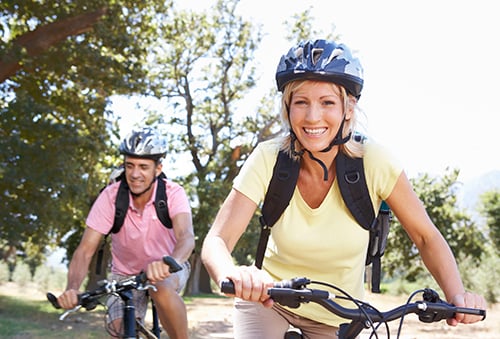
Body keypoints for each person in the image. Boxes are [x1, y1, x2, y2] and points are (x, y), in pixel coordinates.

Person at [201, 39, 487, 338]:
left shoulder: (375, 162)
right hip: (271, 300)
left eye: (327, 102)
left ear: (348, 109)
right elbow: (218, 239)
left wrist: (457, 296)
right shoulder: (268, 158)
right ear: (288, 107)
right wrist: (231, 273)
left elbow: (425, 237)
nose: (313, 117)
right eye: (301, 102)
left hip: (340, 314)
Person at [57, 127, 195, 339]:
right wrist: (72, 288)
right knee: (120, 332)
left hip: (170, 267)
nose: (135, 174)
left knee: (161, 287)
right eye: (129, 165)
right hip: (124, 274)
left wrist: (169, 263)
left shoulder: (172, 193)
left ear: (158, 169)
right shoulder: (111, 197)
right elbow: (85, 250)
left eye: (143, 167)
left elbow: (186, 237)